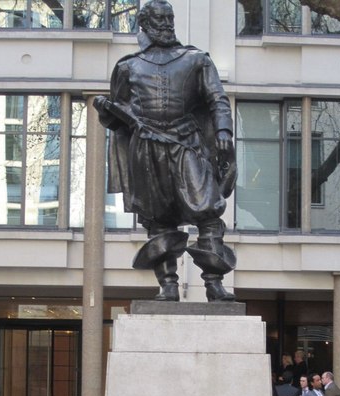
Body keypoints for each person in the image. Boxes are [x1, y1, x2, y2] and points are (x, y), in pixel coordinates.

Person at [93, 0, 237, 302]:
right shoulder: (127, 66)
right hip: (146, 150)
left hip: (187, 145)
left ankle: (213, 282)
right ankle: (168, 285)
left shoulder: (197, 59)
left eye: (168, 19)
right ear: (144, 26)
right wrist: (106, 111)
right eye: (158, 20)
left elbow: (217, 100)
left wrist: (224, 130)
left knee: (209, 211)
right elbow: (116, 118)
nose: (165, 25)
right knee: (159, 219)